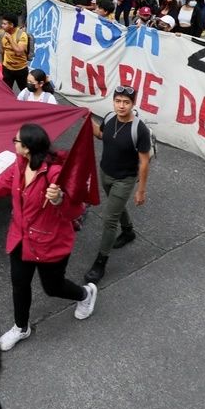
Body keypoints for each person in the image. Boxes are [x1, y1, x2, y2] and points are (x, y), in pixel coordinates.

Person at [0, 123, 97, 351]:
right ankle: (21, 327)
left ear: (27, 147)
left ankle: (86, 294)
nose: (13, 144)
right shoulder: (19, 166)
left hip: (50, 244)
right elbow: (1, 185)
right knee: (20, 285)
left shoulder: (54, 174)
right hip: (21, 240)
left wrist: (58, 199)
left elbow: (76, 211)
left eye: (16, 141)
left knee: (53, 288)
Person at [85, 85, 150, 284]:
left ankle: (100, 262)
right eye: (118, 101)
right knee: (116, 207)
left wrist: (141, 190)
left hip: (124, 179)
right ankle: (129, 231)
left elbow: (145, 162)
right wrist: (87, 118)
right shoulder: (109, 118)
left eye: (126, 102)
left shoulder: (139, 129)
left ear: (133, 104)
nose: (121, 106)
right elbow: (101, 135)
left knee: (109, 219)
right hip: (105, 173)